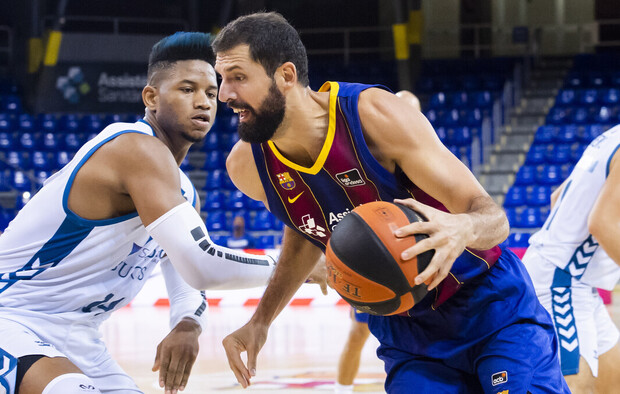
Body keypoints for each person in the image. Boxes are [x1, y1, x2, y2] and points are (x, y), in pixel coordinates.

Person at [213, 12, 569, 393]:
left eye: (238, 77)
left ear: (285, 76)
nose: (223, 94)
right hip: (406, 332)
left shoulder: (373, 116)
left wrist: (460, 227)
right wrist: (261, 320)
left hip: (488, 305)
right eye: (221, 79)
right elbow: (303, 230)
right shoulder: (246, 166)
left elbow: (493, 219)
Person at [0, 32, 280, 394]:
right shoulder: (132, 146)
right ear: (151, 97)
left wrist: (187, 325)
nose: (203, 102)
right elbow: (202, 263)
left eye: (211, 93)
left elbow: (188, 281)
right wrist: (294, 269)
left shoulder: (183, 191)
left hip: (79, 339)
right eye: (187, 89)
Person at [333, 90, 421, 394]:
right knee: (357, 334)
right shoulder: (366, 159)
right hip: (377, 258)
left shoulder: (427, 157)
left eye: (412, 114)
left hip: (416, 258)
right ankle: (340, 390)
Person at [523, 125, 620, 393]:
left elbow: (557, 197)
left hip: (573, 279)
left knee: (613, 383)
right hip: (561, 280)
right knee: (574, 388)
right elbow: (602, 224)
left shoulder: (610, 137)